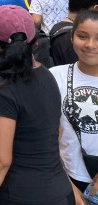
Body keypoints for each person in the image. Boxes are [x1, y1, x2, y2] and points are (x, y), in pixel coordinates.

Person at [0, 5, 73, 205]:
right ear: (34, 40)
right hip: (60, 191)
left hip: (24, 196)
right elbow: (55, 136)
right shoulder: (46, 75)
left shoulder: (3, 89)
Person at [51, 10, 98, 201]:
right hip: (66, 177)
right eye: (82, 36)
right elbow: (46, 135)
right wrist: (65, 183)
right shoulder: (54, 77)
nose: (90, 45)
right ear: (71, 37)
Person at [49, 0, 98, 66]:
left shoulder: (57, 27)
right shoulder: (71, 36)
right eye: (83, 36)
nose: (91, 45)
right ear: (95, 8)